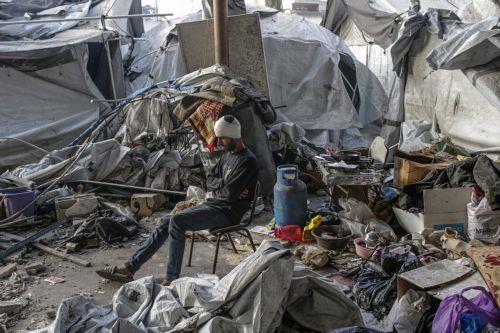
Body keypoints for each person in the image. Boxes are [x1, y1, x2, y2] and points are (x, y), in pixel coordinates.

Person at [97, 115, 259, 285]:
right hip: (214, 205)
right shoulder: (228, 154)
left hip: (227, 213)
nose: (219, 142)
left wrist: (222, 188)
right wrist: (223, 185)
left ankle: (171, 278)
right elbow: (210, 179)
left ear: (234, 137)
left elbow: (230, 195)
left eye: (223, 138)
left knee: (177, 221)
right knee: (164, 222)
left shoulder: (247, 161)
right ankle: (130, 268)